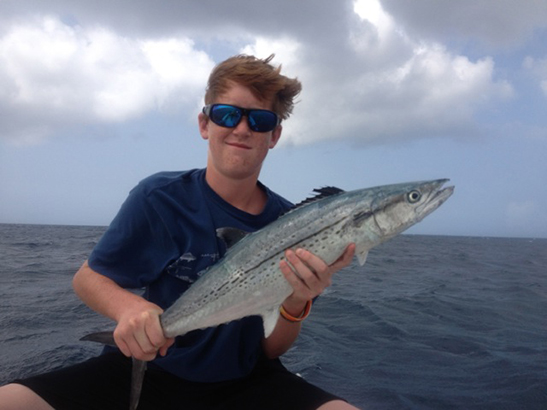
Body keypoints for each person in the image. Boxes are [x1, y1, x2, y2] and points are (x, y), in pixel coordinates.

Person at [0, 54, 357, 410]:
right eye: (227, 114)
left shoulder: (297, 224)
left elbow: (272, 349)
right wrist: (130, 308)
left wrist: (295, 303)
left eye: (260, 120)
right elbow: (87, 278)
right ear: (204, 124)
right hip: (153, 365)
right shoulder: (160, 197)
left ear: (274, 135)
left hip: (248, 378)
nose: (242, 129)